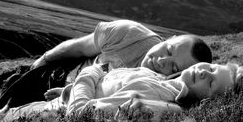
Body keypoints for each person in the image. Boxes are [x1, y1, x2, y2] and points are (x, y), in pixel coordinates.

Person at [0, 62, 243, 122]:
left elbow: (80, 113)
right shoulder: (158, 78)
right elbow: (108, 88)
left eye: (212, 83)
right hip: (60, 98)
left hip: (46, 114)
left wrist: (89, 74)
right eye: (213, 68)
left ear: (207, 100)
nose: (206, 73)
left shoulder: (158, 97)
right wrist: (67, 89)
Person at [32, 19, 213, 78]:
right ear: (169, 38)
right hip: (58, 75)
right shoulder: (127, 33)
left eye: (173, 68)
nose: (161, 61)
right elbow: (78, 47)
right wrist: (44, 60)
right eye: (169, 50)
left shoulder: (162, 92)